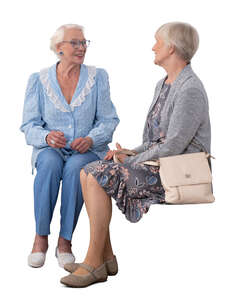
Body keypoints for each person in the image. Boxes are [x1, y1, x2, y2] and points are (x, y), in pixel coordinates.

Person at [60, 21, 212, 287]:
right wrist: (129, 152)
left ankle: (95, 261)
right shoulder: (163, 83)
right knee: (89, 170)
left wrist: (130, 160)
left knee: (96, 175)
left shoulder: (190, 89)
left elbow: (174, 147)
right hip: (161, 162)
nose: (153, 47)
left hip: (177, 172)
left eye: (158, 42)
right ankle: (104, 256)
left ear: (172, 48)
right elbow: (153, 140)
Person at [20, 24, 119, 268]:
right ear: (59, 48)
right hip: (50, 150)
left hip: (86, 151)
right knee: (50, 164)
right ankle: (40, 237)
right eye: (75, 42)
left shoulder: (98, 77)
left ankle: (65, 241)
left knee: (76, 168)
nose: (81, 47)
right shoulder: (38, 80)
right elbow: (29, 124)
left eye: (84, 42)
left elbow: (108, 120)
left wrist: (91, 139)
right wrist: (46, 138)